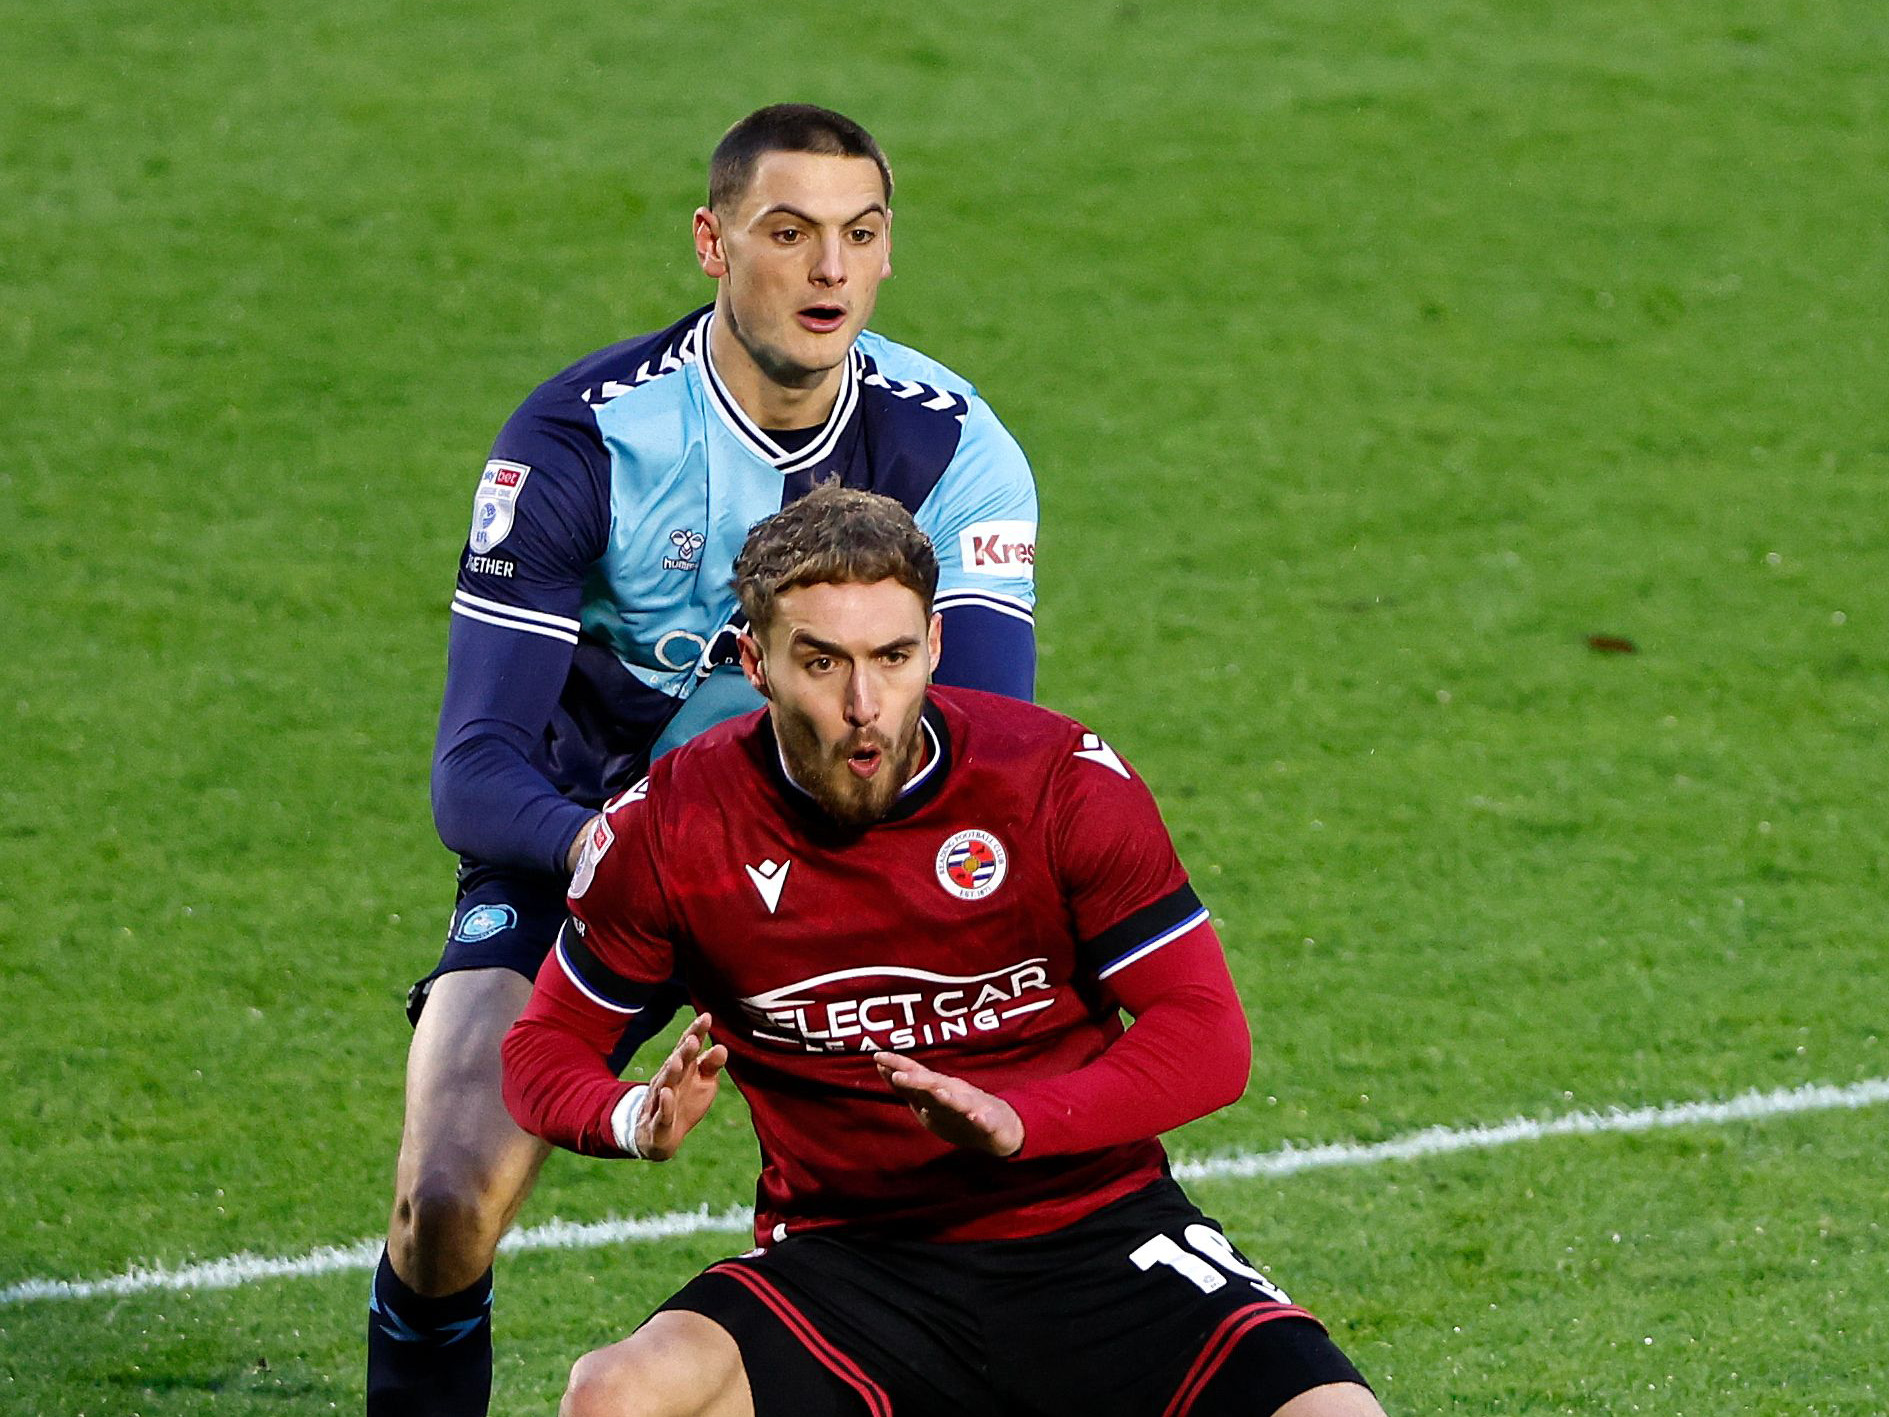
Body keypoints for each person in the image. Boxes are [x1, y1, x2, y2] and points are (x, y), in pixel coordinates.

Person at [368, 106, 1039, 1416]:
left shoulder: (954, 450)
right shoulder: (584, 441)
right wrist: (610, 845)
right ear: (714, 241)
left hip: (840, 871)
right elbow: (476, 770)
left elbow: (983, 759)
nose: (827, 272)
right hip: (596, 858)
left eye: (859, 234)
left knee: (991, 1206)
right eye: (788, 234)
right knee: (443, 1200)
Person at [502, 486, 1383, 1417]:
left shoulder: (1056, 784)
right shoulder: (672, 826)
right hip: (850, 1264)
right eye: (821, 662)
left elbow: (1207, 1033)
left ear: (936, 644)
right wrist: (631, 1116)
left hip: (1099, 1234)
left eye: (892, 656)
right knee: (617, 1393)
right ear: (756, 663)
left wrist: (1019, 1118)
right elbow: (541, 1047)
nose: (863, 704)